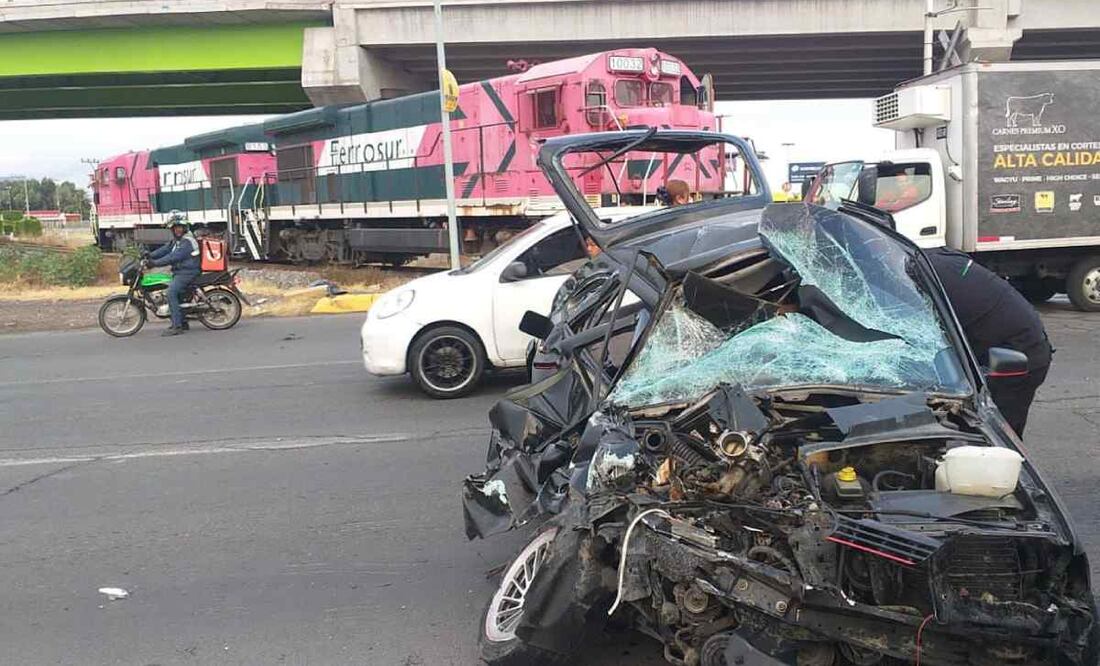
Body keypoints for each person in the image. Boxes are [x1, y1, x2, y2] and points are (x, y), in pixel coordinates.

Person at [925, 246, 1053, 437]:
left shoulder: (919, 274)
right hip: (987, 350)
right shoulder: (929, 258)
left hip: (1017, 355)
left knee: (995, 444)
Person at [145, 210, 201, 336]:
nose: (177, 230)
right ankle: (183, 321)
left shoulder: (187, 241)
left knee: (171, 293)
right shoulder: (177, 240)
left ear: (185, 227)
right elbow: (165, 249)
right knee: (177, 294)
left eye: (180, 227)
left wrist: (154, 263)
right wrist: (149, 255)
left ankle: (177, 326)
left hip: (188, 272)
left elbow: (173, 257)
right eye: (175, 228)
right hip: (181, 272)